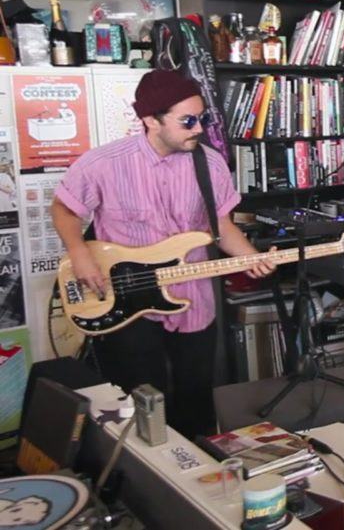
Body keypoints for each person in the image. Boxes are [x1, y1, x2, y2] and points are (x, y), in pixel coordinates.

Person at [51, 70, 276, 438]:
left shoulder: (210, 163)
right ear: (150, 120)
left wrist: (251, 257)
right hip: (126, 300)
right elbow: (64, 208)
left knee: (196, 396)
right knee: (141, 401)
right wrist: (79, 252)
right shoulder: (104, 163)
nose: (198, 128)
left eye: (202, 118)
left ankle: (197, 462)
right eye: (187, 121)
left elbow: (220, 225)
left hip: (193, 297)